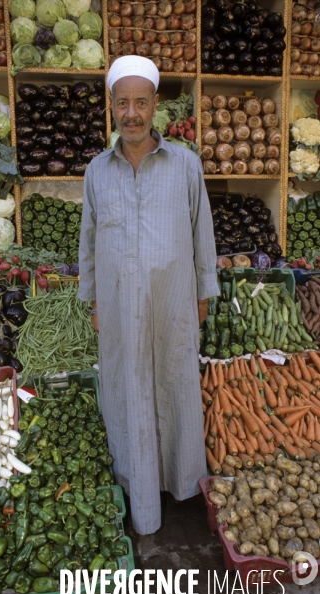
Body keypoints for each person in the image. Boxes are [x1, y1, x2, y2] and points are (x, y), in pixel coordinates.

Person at [78, 55, 220, 535]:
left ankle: (181, 485)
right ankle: (138, 489)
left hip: (172, 302)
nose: (132, 112)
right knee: (127, 389)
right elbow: (90, 241)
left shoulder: (185, 164)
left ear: (156, 105)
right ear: (112, 107)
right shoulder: (97, 171)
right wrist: (95, 300)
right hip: (119, 305)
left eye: (141, 102)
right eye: (124, 103)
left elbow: (204, 236)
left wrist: (203, 295)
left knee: (175, 383)